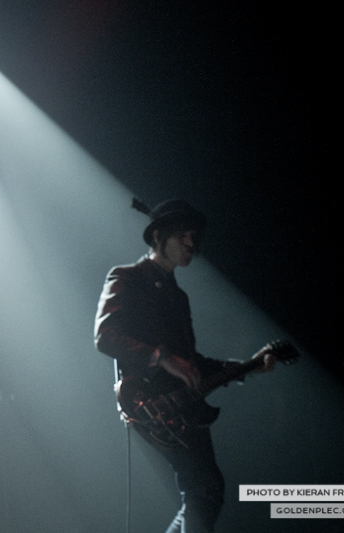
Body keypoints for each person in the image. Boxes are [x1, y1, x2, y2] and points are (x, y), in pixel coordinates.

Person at [94, 199, 274, 533]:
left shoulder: (178, 297)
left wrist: (247, 367)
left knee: (205, 492)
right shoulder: (127, 277)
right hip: (152, 403)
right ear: (158, 236)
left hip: (183, 405)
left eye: (195, 236)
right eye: (183, 235)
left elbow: (192, 364)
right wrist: (161, 357)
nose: (192, 242)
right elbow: (105, 336)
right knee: (203, 488)